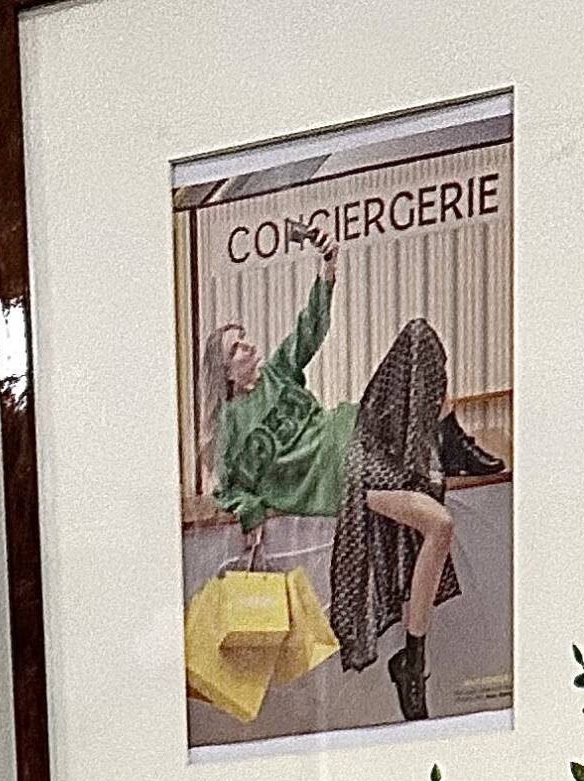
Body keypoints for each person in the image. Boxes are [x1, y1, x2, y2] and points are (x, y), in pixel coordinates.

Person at [197, 213, 504, 720]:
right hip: (351, 476)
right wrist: (251, 511)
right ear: (225, 370)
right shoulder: (229, 430)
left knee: (418, 340)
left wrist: (328, 270)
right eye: (238, 347)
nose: (250, 347)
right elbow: (226, 490)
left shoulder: (278, 375)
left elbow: (308, 332)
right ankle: (413, 660)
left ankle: (451, 443)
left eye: (246, 339)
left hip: (360, 426)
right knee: (439, 524)